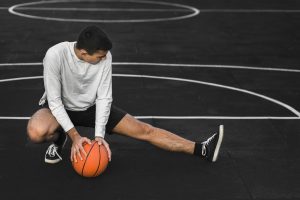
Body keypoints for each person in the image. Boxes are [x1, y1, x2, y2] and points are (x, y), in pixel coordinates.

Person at [26, 25, 224, 165]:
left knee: (145, 130)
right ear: (84, 53)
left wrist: (98, 136)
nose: (105, 58)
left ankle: (202, 149)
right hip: (59, 107)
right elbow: (54, 100)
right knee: (36, 132)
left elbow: (104, 96)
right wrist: (75, 136)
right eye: (100, 56)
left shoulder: (104, 56)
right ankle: (60, 137)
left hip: (91, 107)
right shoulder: (55, 55)